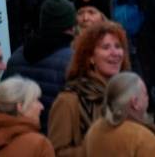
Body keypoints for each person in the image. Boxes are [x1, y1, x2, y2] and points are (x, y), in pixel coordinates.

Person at [48, 21, 129, 157]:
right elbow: (56, 152)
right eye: (106, 47)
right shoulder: (69, 100)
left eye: (118, 46)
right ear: (90, 57)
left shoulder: (126, 94)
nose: (115, 53)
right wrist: (101, 150)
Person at [83, 70, 155, 155]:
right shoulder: (141, 137)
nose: (148, 98)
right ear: (135, 103)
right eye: (145, 94)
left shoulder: (94, 130)